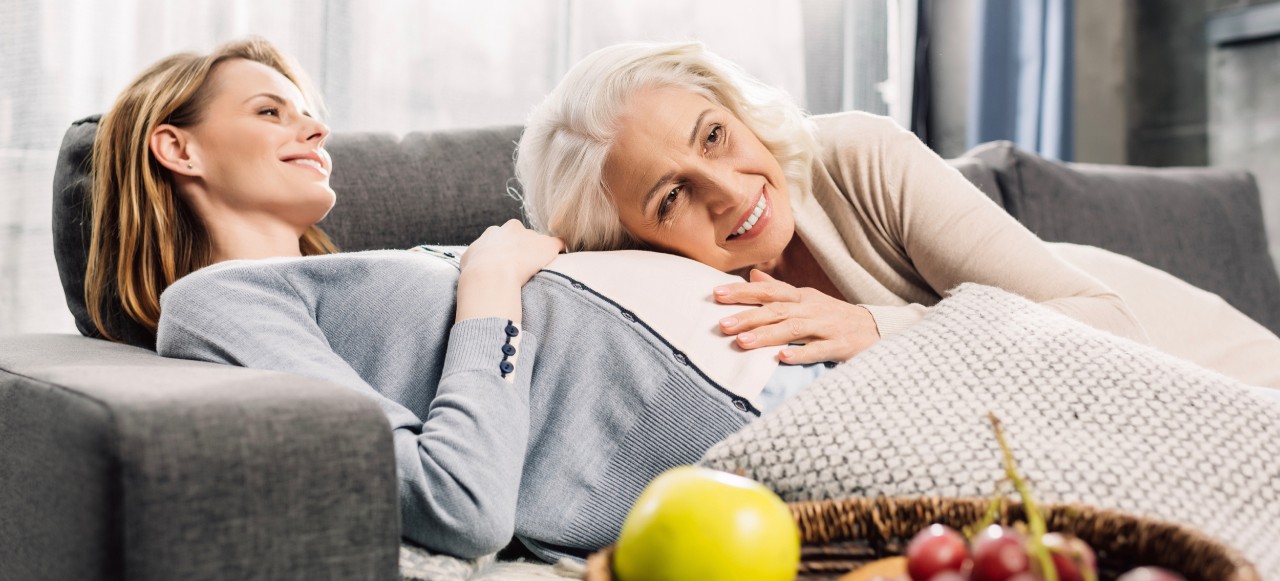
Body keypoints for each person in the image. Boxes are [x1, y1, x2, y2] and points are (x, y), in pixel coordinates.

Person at [85, 37, 811, 563]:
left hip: (787, 369)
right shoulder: (214, 303)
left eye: (305, 110)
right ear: (178, 149)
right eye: (271, 112)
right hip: (756, 418)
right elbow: (461, 504)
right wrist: (490, 287)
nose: (314, 127)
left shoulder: (353, 278)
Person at [514, 41, 1280, 387]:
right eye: (672, 196)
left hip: (1199, 355)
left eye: (714, 134)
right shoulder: (666, 305)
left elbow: (1106, 324)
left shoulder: (856, 156)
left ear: (736, 110)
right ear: (631, 243)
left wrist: (881, 329)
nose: (729, 188)